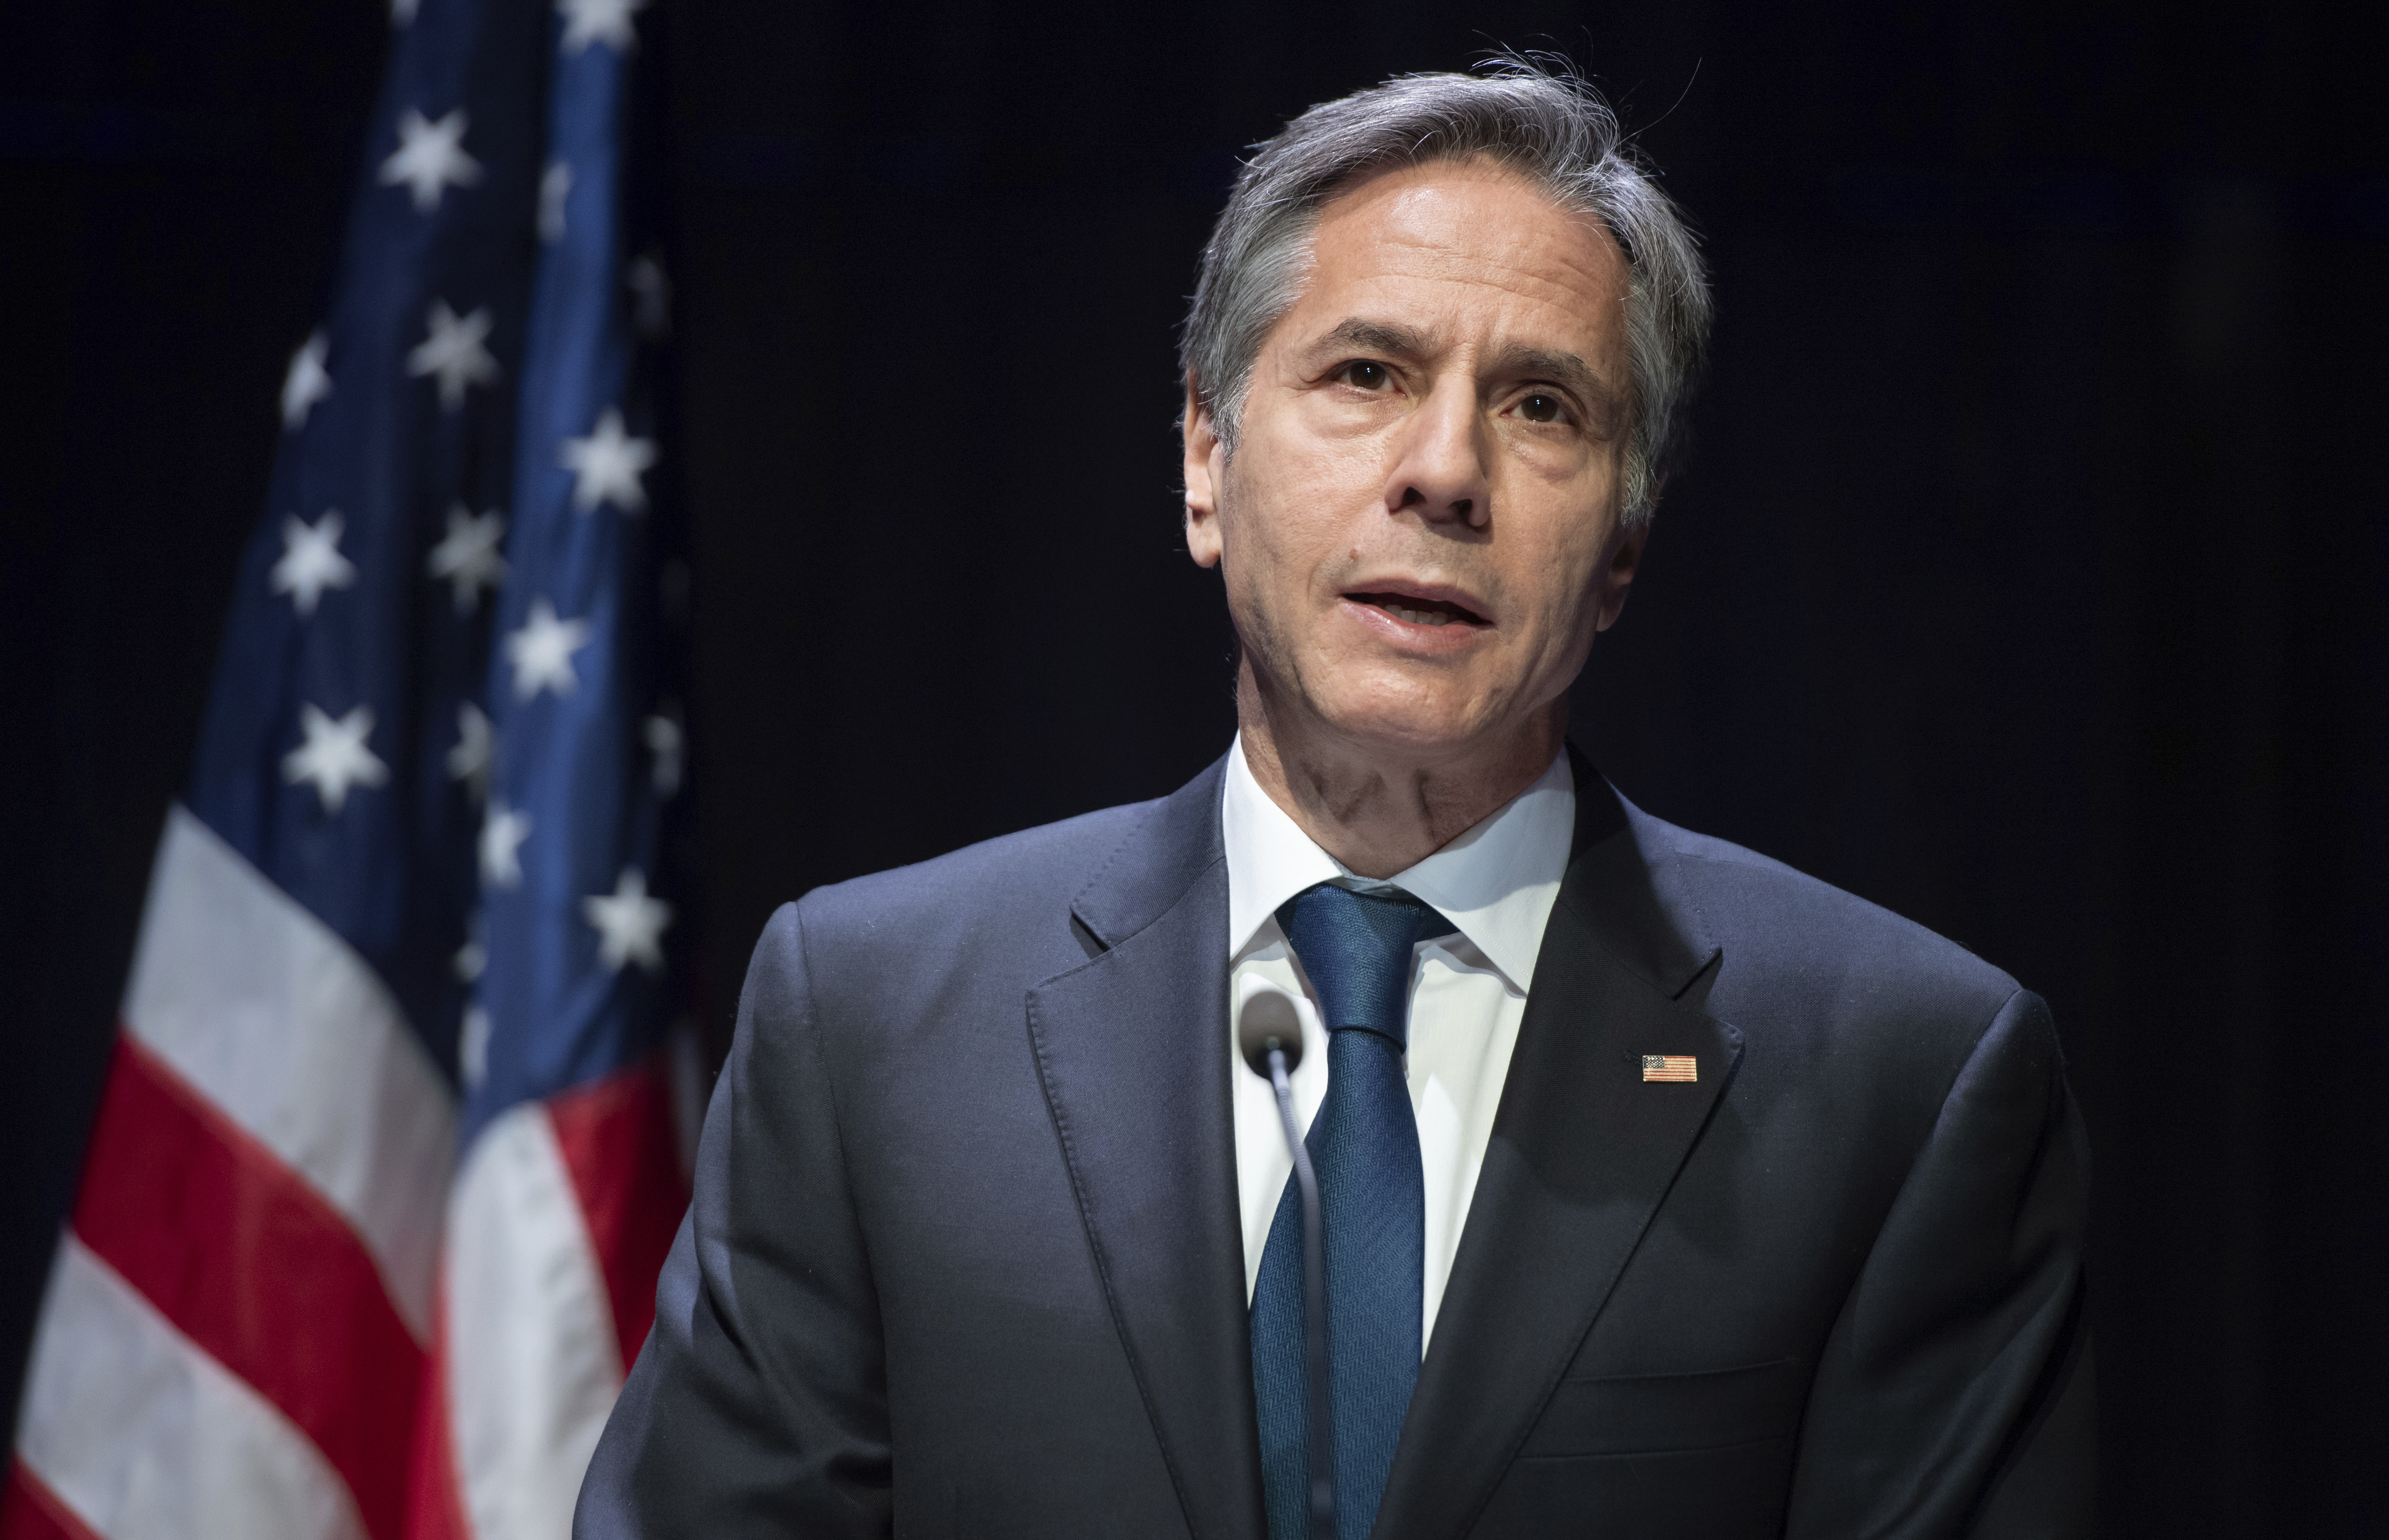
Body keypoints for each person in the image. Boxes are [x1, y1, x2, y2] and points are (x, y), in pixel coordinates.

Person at [575, 58, 2092, 1540]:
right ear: (1203, 459)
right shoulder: (873, 1021)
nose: (1445, 472)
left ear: (1625, 545)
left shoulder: (1903, 1077)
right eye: (1367, 375)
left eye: (1545, 407)